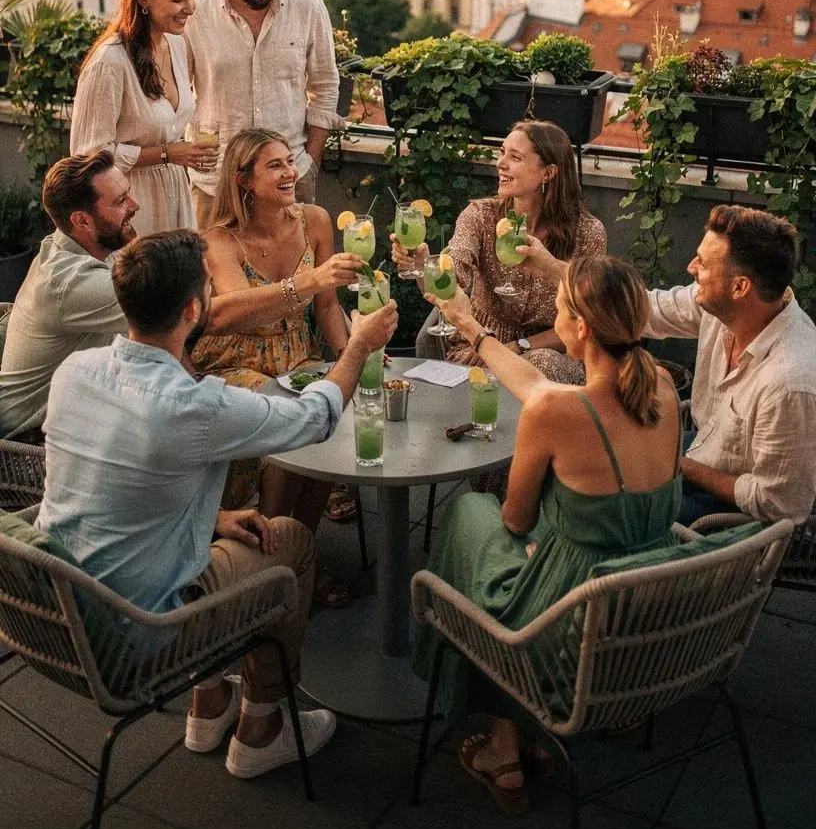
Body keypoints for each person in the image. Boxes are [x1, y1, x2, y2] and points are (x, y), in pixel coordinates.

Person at [37, 228, 397, 780]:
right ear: (193, 309)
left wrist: (216, 517)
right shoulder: (193, 405)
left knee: (230, 531)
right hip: (141, 634)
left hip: (61, 610)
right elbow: (316, 418)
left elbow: (120, 484)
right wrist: (358, 346)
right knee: (292, 542)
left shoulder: (73, 374)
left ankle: (209, 707)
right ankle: (262, 727)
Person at [411, 255, 682, 815]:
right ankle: (519, 739)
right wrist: (471, 328)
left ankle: (503, 747)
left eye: (559, 306)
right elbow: (536, 384)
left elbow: (515, 521)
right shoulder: (661, 387)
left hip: (571, 623)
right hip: (647, 604)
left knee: (471, 518)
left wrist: (536, 542)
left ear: (579, 329)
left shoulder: (555, 413)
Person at [521, 205, 816, 528]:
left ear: (740, 287)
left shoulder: (789, 382)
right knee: (581, 458)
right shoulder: (726, 308)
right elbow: (641, 308)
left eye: (702, 264)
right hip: (698, 451)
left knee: (590, 508)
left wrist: (681, 465)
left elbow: (778, 504)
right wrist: (552, 267)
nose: (690, 267)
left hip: (724, 519)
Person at [189, 128, 363, 602]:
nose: (290, 173)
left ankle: (297, 557)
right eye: (275, 166)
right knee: (283, 425)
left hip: (297, 355)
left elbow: (327, 307)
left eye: (290, 162)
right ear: (243, 179)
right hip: (235, 360)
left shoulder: (315, 220)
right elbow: (238, 307)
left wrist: (353, 361)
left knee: (324, 421)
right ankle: (266, 566)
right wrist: (306, 281)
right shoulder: (219, 240)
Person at [392, 121, 606, 379]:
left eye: (515, 157)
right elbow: (451, 277)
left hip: (554, 352)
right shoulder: (480, 217)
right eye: (502, 152)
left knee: (543, 362)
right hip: (477, 348)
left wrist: (518, 347)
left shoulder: (588, 233)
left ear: (548, 173)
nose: (500, 163)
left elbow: (589, 319)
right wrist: (424, 265)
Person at [184, 0, 341, 226]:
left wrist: (310, 161)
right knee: (213, 273)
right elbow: (174, 96)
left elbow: (325, 86)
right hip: (215, 183)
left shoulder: (308, 7)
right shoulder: (195, 13)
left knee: (298, 272)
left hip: (289, 179)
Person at [71, 0, 216, 236]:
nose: (190, 8)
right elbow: (88, 155)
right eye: (178, 0)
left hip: (175, 194)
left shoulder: (176, 44)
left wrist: (176, 154)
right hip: (131, 201)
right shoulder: (109, 63)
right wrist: (166, 153)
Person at [0, 150, 137, 439]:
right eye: (121, 201)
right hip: (31, 441)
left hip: (77, 410)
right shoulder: (71, 282)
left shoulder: (77, 245)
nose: (135, 205)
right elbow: (180, 310)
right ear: (83, 221)